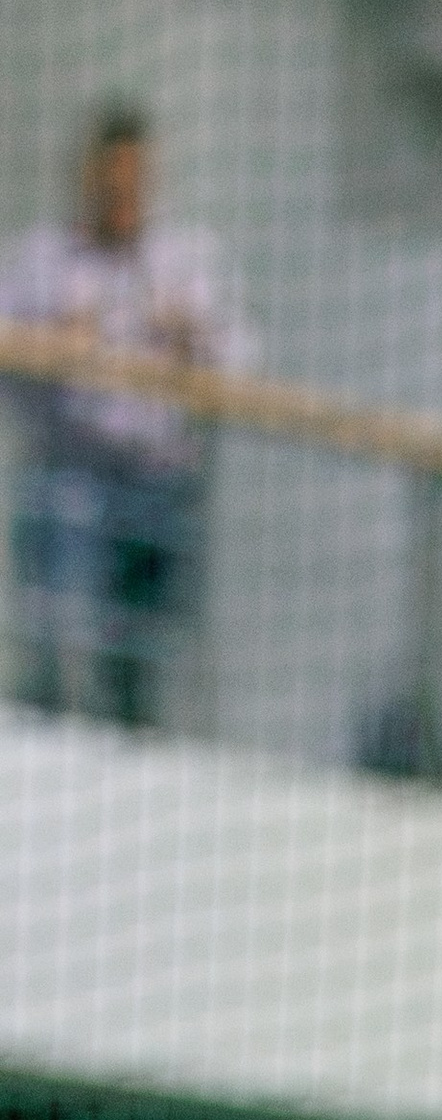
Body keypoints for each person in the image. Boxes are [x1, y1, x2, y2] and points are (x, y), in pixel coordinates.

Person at [1, 103, 251, 728]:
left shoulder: (186, 259)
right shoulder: (42, 257)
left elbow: (243, 362)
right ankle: (50, 719)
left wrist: (190, 337)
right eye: (108, 179)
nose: (121, 193)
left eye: (134, 179)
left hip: (158, 480)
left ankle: (139, 738)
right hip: (71, 473)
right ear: (84, 177)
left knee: (147, 644)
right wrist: (55, 341)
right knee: (62, 620)